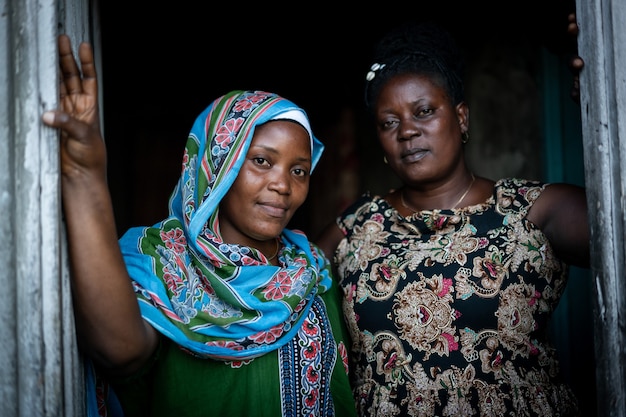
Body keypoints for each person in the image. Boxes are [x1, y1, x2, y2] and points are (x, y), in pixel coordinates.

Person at [42, 35, 357, 417]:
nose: (283, 185)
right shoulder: (163, 262)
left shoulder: (311, 271)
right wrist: (85, 175)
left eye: (299, 171)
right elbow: (119, 351)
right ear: (217, 168)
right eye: (261, 161)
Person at [316, 20, 590, 416]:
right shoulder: (357, 225)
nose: (407, 131)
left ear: (461, 118)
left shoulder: (534, 209)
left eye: (424, 111)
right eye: (389, 123)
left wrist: (609, 99)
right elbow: (282, 288)